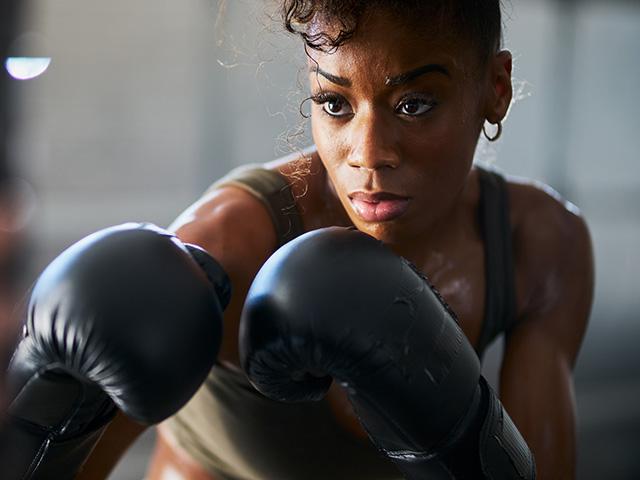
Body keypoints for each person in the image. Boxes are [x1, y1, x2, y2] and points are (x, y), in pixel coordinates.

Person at [70, 1, 594, 479]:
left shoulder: (537, 245)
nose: (368, 153)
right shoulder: (227, 248)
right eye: (335, 103)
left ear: (495, 88)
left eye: (413, 104)